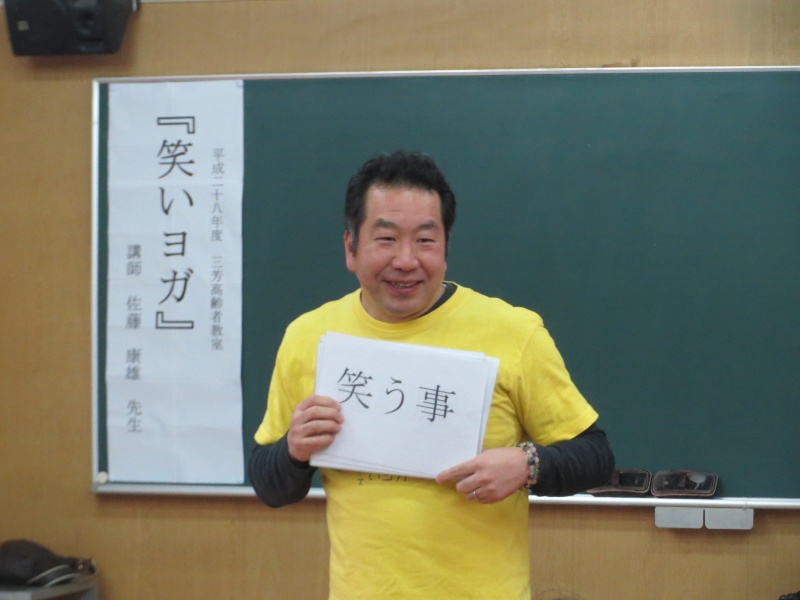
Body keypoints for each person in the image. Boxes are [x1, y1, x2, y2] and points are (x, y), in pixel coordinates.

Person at [249, 150, 614, 600]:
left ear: (445, 247)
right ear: (350, 248)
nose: (406, 260)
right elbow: (269, 484)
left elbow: (595, 456)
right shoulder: (309, 336)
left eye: (425, 240)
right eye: (386, 239)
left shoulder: (513, 332)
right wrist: (294, 451)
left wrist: (527, 464)